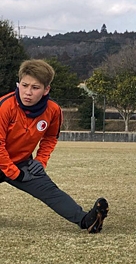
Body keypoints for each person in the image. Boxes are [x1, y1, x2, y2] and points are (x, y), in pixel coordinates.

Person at [0, 59, 108, 233]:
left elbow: (50, 138)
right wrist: (15, 174)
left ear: (46, 90)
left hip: (21, 163)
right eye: (24, 85)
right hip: (6, 163)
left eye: (35, 88)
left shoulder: (53, 110)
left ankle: (87, 220)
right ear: (18, 84)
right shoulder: (4, 106)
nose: (28, 92)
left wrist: (40, 161)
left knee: (50, 191)